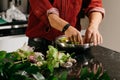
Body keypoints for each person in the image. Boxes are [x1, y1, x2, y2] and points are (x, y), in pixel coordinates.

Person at [26, 0, 105, 54]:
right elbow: (48, 13)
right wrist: (66, 27)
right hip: (41, 44)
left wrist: (93, 26)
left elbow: (95, 4)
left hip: (70, 44)